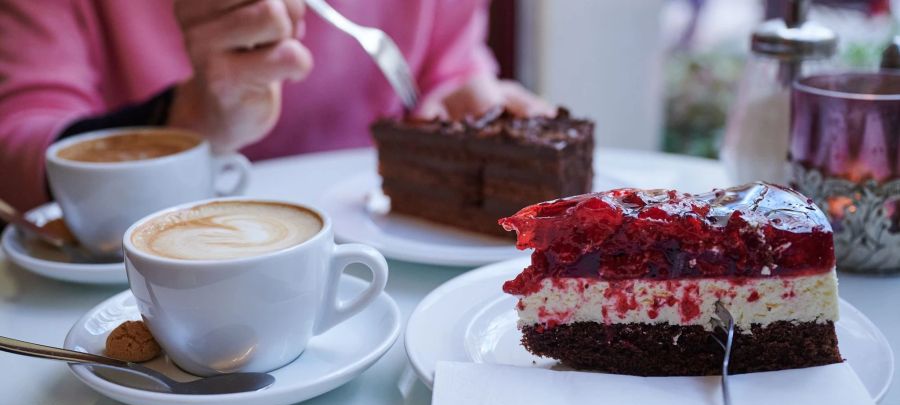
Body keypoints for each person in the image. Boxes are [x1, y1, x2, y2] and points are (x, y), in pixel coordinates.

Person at [0, 0, 552, 211]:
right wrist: (184, 121)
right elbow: (15, 158)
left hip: (383, 264)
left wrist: (462, 111)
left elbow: (451, 67)